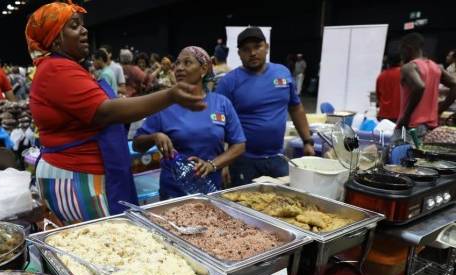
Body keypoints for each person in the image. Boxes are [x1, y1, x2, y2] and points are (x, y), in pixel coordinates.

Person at [26, 1, 205, 225]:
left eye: (82, 25)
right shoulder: (56, 69)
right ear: (55, 38)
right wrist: (170, 95)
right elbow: (105, 112)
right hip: (78, 176)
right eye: (74, 26)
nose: (84, 30)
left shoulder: (65, 67)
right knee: (98, 244)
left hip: (87, 173)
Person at [133, 46, 246, 199]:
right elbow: (137, 145)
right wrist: (154, 137)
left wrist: (212, 165)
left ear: (203, 69)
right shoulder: (164, 104)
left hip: (211, 190)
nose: (179, 68)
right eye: (177, 63)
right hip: (173, 194)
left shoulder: (221, 104)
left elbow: (239, 145)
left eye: (187, 63)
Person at [216, 27, 314, 186]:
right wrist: (222, 162)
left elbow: (295, 108)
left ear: (266, 47)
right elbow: (218, 124)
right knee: (242, 207)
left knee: (283, 205)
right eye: (246, 50)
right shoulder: (228, 82)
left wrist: (307, 141)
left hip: (277, 158)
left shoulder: (282, 73)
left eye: (257, 47)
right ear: (239, 54)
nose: (252, 53)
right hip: (243, 161)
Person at [396, 33, 456, 139]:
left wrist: (406, 116)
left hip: (411, 126)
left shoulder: (409, 67)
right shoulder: (436, 67)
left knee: (393, 154)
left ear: (408, 48)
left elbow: (419, 87)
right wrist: (441, 108)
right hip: (431, 127)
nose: (401, 54)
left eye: (402, 50)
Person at [376, 52, 402, 122]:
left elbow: (378, 97)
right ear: (400, 61)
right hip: (399, 115)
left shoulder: (381, 76)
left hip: (383, 115)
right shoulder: (403, 74)